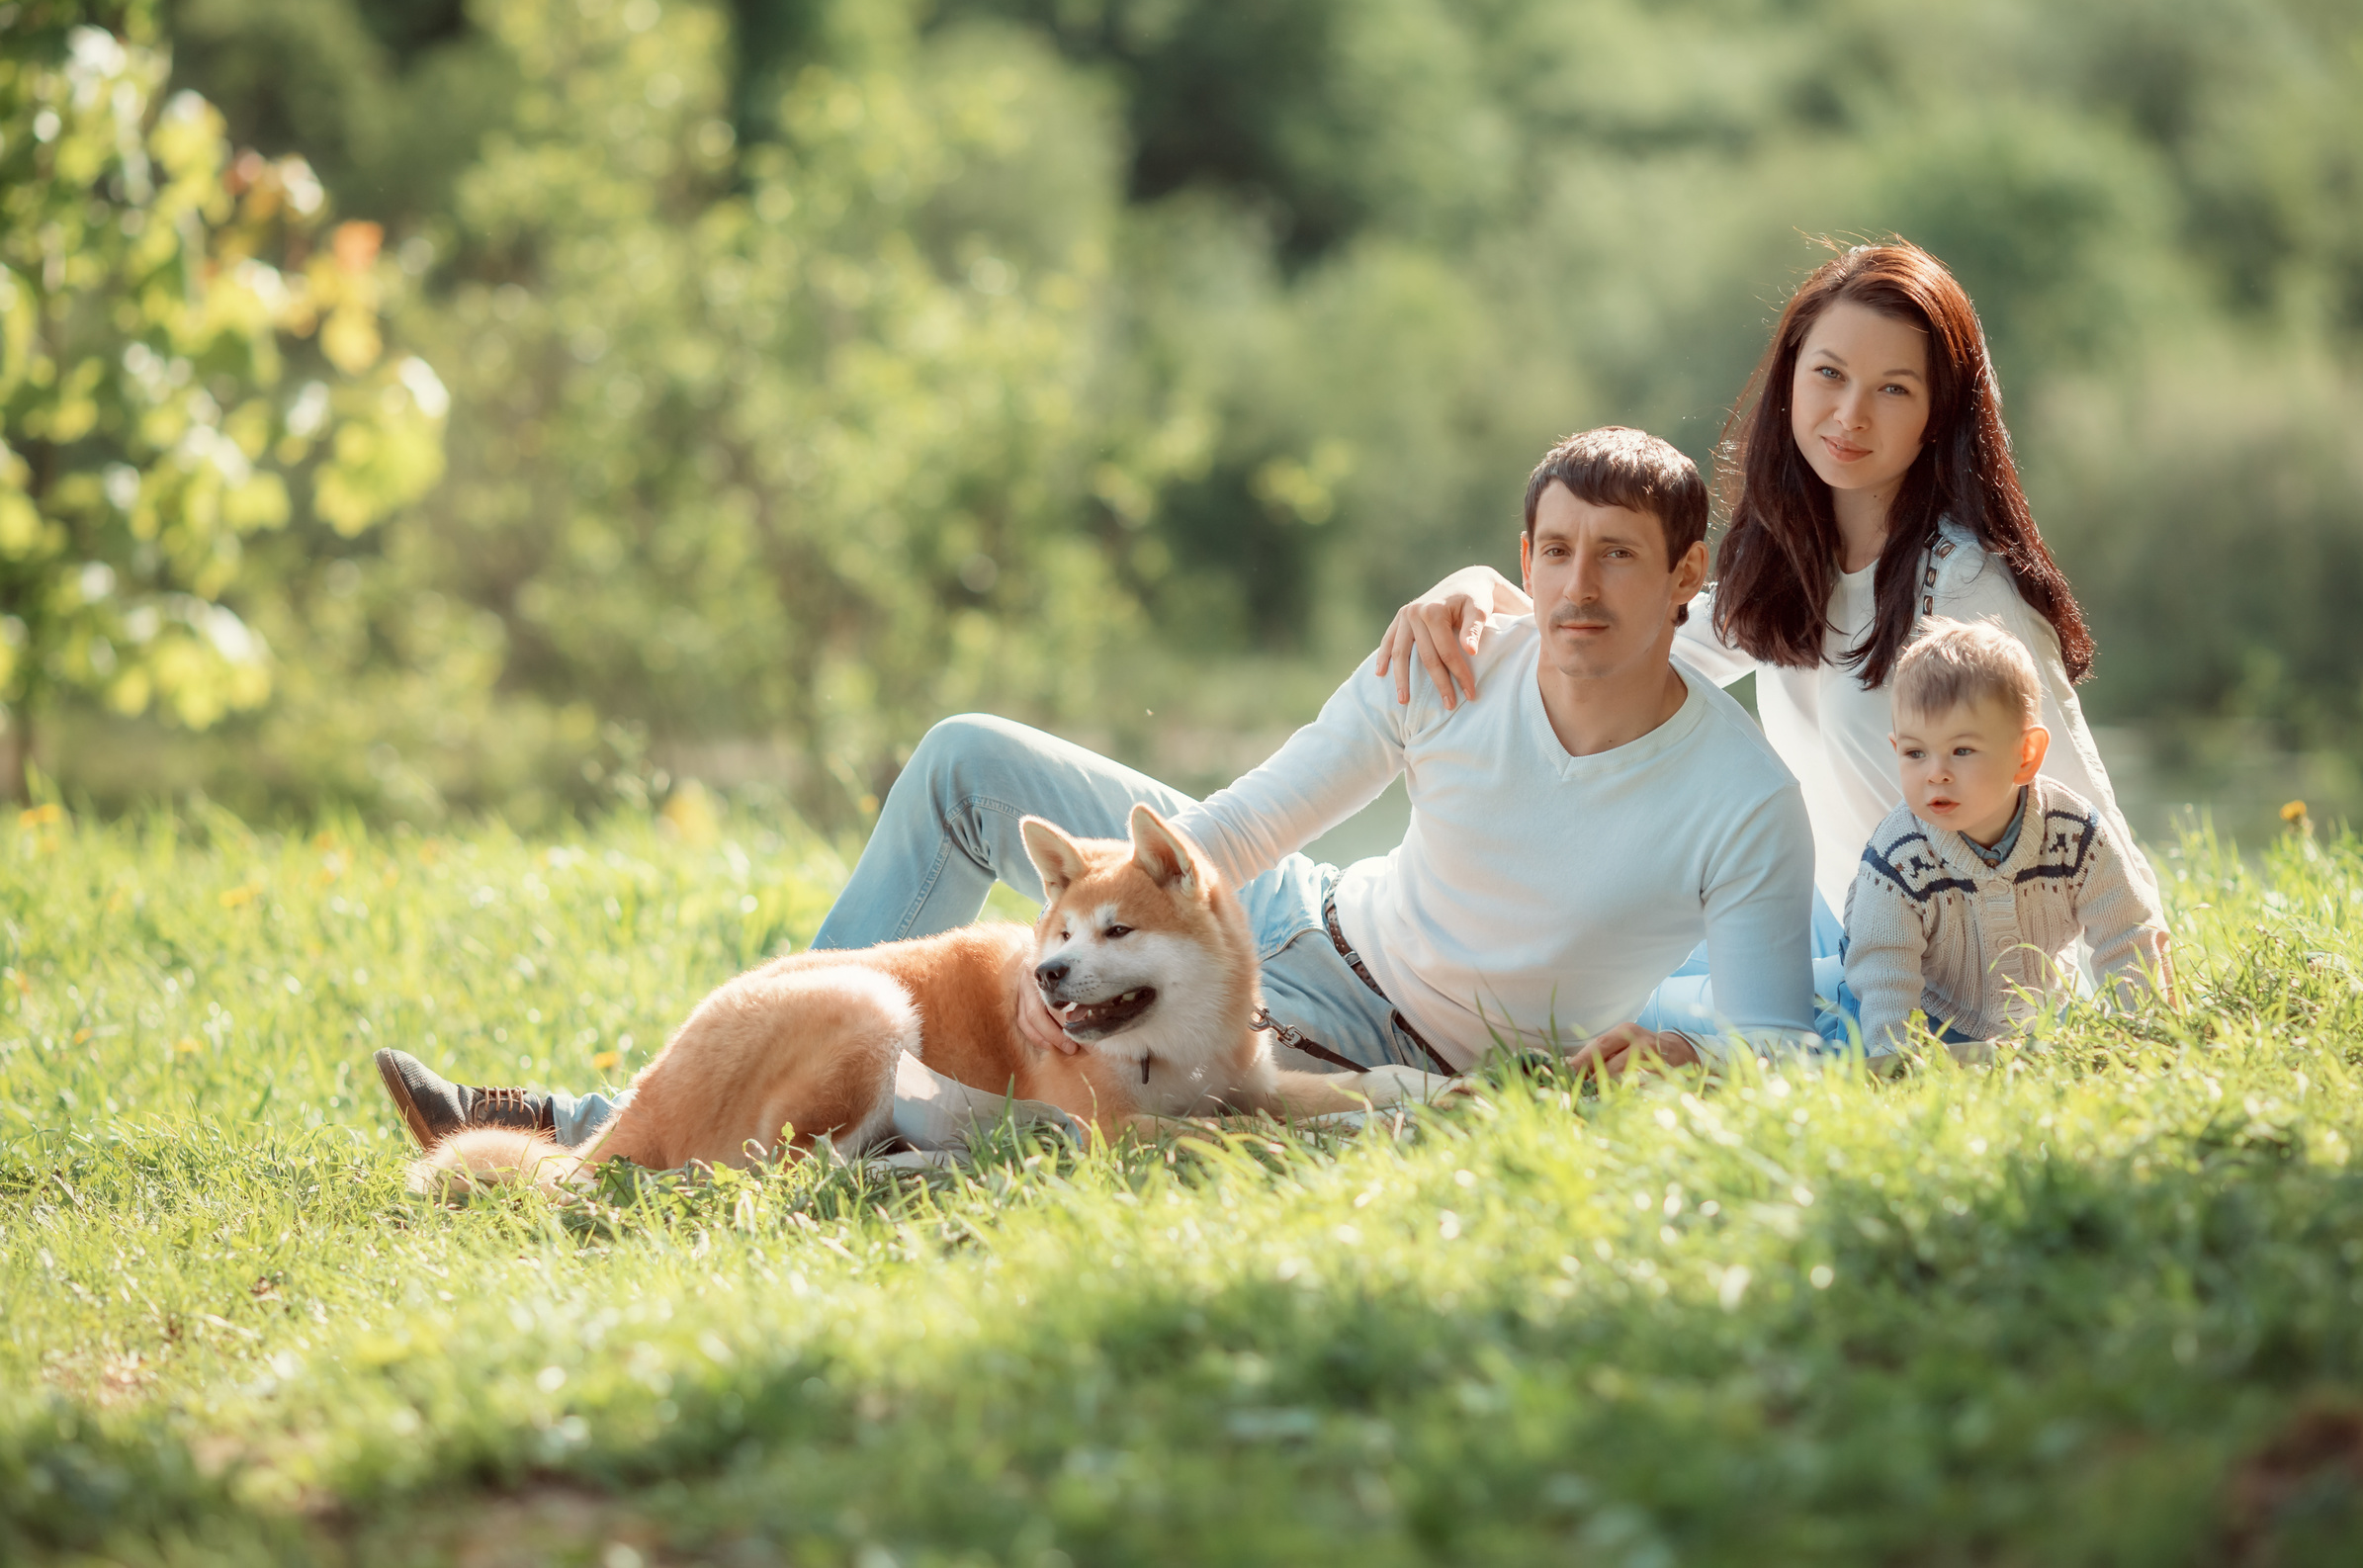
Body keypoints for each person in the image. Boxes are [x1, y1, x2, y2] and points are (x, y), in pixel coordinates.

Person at [375, 427, 1820, 1154]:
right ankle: (648, 1107)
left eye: (1621, 556)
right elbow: (1245, 828)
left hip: (1410, 1051)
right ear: (1519, 556)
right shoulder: (1453, 656)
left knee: (1039, 1110)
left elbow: (1775, 1042)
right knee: (961, 755)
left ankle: (590, 1132)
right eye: (1554, 551)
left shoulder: (1740, 797)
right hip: (1295, 925)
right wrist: (1159, 896)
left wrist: (1697, 1061)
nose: (1580, 587)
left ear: (1685, 578)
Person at [1375, 240, 2160, 1039]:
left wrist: (2142, 1019)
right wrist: (1473, 591)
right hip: (1846, 925)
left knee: (1608, 1007)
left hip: (1952, 980)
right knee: (1581, 949)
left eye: (1893, 388)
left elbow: (2086, 816)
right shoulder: (1799, 566)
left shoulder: (1962, 588)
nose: (1850, 414)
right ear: (1789, 377)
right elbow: (1625, 641)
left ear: (1937, 417)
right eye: (1828, 374)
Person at [1842, 617, 2173, 1058]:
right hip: (1928, 1014)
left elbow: (2125, 935)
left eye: (1962, 751)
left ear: (2026, 755)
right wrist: (1897, 1060)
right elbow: (1884, 971)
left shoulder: (2074, 835)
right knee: (1829, 1034)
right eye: (1915, 752)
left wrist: (2144, 1040)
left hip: (2041, 1014)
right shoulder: (1899, 858)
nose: (1935, 772)